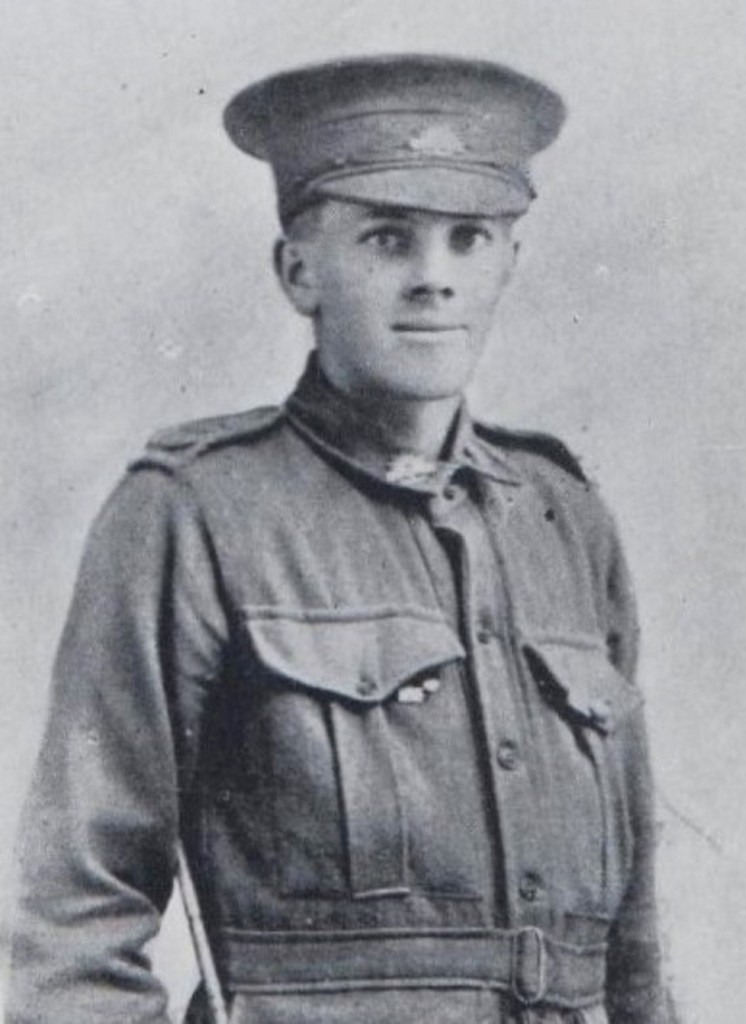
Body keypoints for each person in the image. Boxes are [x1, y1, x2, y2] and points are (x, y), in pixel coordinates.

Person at [6, 54, 674, 1024]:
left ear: (509, 264)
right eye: (388, 238)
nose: (434, 279)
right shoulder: (195, 511)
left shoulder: (564, 517)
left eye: (469, 239)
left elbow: (634, 943)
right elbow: (74, 916)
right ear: (299, 271)